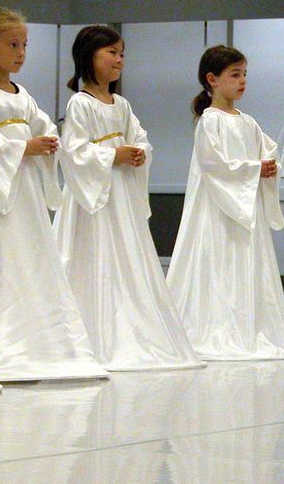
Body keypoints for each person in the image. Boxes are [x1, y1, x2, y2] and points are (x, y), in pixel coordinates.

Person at [0, 7, 107, 381]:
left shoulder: (22, 94)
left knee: (29, 255)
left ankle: (31, 334)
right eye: (13, 44)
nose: (21, 52)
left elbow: (43, 124)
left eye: (25, 45)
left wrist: (47, 141)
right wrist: (22, 147)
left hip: (24, 191)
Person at [53, 25, 203, 371]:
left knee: (128, 258)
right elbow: (74, 151)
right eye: (111, 53)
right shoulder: (81, 103)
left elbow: (140, 136)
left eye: (122, 54)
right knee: (94, 256)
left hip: (120, 194)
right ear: (89, 56)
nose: (119, 60)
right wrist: (111, 156)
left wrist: (138, 153)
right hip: (95, 199)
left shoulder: (121, 104)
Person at [166, 45, 284, 360]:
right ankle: (214, 325)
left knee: (246, 260)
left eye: (244, 75)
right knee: (218, 260)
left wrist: (268, 166)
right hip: (218, 209)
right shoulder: (210, 121)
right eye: (235, 75)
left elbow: (267, 150)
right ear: (212, 79)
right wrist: (254, 168)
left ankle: (251, 326)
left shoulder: (247, 121)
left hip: (246, 206)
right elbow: (213, 164)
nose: (242, 81)